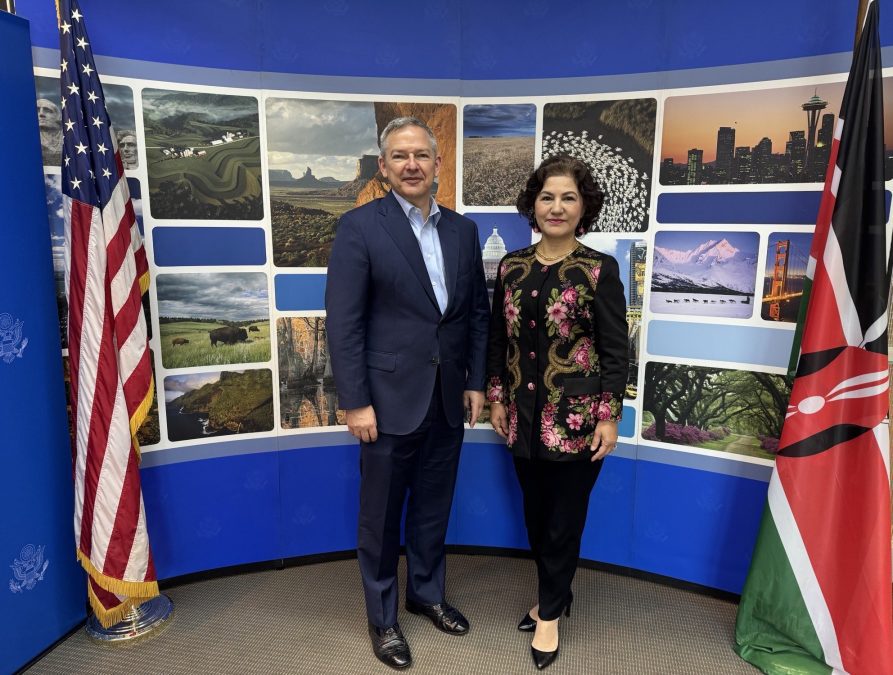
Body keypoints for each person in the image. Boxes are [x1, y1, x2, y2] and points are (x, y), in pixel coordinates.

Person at [325, 117, 490, 670]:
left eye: (421, 155)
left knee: (433, 506)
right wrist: (355, 401)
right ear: (383, 166)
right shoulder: (359, 227)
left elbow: (475, 315)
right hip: (386, 400)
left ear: (438, 164)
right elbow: (344, 323)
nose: (412, 165)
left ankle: (426, 594)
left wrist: (474, 381)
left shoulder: (463, 231)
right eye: (400, 156)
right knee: (380, 516)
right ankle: (383, 619)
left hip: (447, 396)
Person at [486, 155, 628, 670]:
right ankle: (556, 592)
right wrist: (497, 396)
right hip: (521, 417)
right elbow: (497, 339)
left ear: (583, 207)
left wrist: (609, 415)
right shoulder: (512, 266)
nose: (557, 207)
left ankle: (549, 613)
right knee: (535, 514)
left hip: (576, 421)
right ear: (534, 204)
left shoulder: (598, 269)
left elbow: (616, 350)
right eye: (547, 197)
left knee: (563, 521)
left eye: (569, 197)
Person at [37, 98, 63, 166]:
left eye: (47, 110)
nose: (41, 114)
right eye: (37, 110)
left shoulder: (68, 137)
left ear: (58, 116)